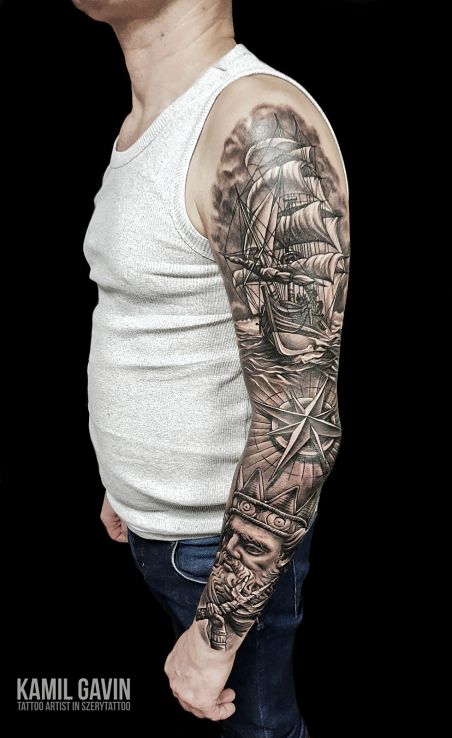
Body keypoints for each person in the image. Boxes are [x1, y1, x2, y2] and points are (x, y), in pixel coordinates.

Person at [75, 1, 349, 735]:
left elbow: (302, 427)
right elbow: (161, 324)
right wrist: (130, 483)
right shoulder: (153, 121)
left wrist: (216, 635)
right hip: (160, 532)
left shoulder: (256, 129)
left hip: (220, 559)